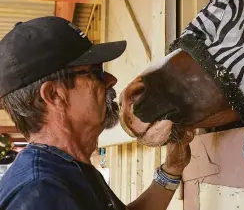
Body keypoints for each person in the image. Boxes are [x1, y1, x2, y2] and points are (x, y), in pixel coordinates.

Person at [0, 16, 194, 210]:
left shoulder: (67, 168)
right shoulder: (40, 193)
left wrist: (172, 170)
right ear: (55, 95)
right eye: (95, 72)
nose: (111, 80)